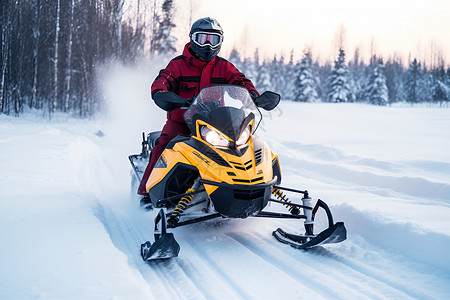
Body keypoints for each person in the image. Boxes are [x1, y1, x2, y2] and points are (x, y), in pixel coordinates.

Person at [138, 17, 259, 204]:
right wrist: (161, 93)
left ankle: (245, 188)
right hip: (181, 121)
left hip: (215, 123)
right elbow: (163, 80)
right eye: (202, 39)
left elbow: (239, 81)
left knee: (240, 147)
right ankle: (147, 191)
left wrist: (252, 95)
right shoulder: (178, 65)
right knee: (164, 145)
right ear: (192, 39)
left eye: (213, 39)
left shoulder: (223, 66)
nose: (208, 45)